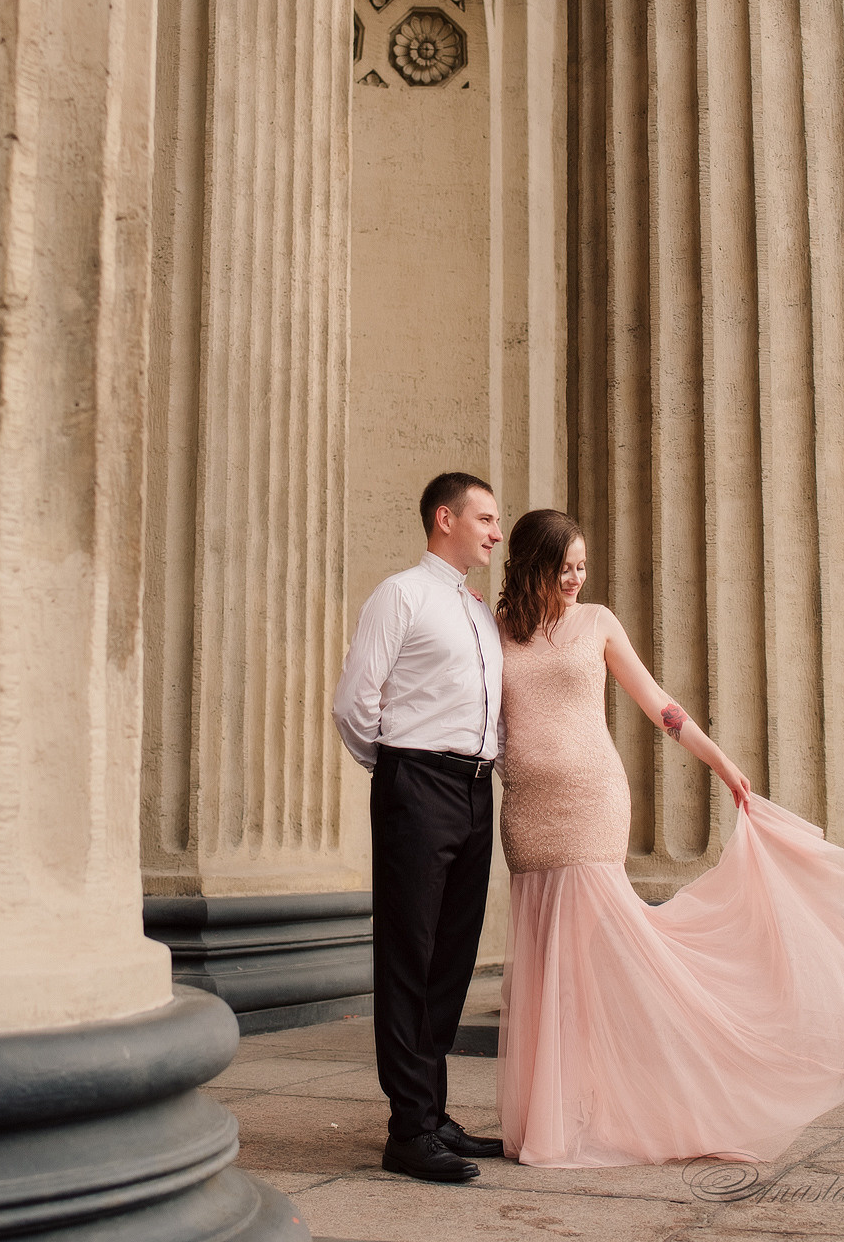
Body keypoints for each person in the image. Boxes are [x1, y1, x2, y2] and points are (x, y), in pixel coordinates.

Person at [494, 508, 844, 1167]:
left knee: (594, 956)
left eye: (583, 567)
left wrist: (719, 760)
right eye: (566, 567)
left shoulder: (597, 623)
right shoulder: (493, 630)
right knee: (539, 958)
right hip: (527, 811)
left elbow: (659, 704)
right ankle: (548, 1120)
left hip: (591, 802)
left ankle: (697, 1078)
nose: (576, 580)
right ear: (535, 566)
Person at [332, 471, 506, 1184]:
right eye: (486, 518)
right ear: (445, 518)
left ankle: (431, 1114)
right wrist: (399, 769)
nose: (496, 532)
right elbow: (354, 702)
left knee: (451, 957)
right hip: (417, 783)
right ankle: (408, 1131)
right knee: (409, 956)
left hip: (474, 789)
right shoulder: (399, 594)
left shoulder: (478, 609)